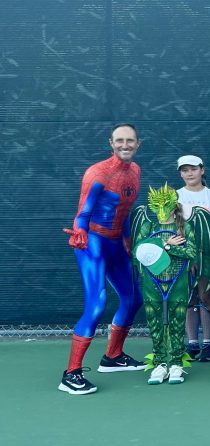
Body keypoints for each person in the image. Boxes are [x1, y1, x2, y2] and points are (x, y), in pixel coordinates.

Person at [60, 123, 145, 396]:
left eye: (130, 140)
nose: (125, 145)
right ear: (111, 143)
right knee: (97, 305)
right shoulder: (97, 173)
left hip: (116, 243)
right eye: (119, 140)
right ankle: (71, 374)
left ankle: (113, 356)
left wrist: (128, 241)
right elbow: (83, 213)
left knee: (134, 298)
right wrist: (80, 234)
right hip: (92, 243)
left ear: (138, 144)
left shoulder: (135, 171)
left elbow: (126, 211)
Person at [129, 185, 200, 385]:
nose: (161, 209)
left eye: (165, 205)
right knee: (155, 324)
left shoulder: (185, 227)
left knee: (177, 323)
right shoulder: (148, 227)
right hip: (152, 284)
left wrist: (169, 248)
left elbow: (191, 252)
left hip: (178, 284)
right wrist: (167, 245)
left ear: (173, 205)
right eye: (157, 205)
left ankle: (176, 363)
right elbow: (137, 251)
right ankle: (159, 363)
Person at [176, 154, 210, 362]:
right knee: (189, 299)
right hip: (182, 256)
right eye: (185, 170)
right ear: (181, 174)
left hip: (207, 257)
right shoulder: (175, 196)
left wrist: (201, 257)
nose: (190, 173)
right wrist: (188, 255)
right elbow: (174, 227)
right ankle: (192, 344)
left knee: (205, 297)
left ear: (202, 170)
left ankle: (207, 345)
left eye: (193, 169)